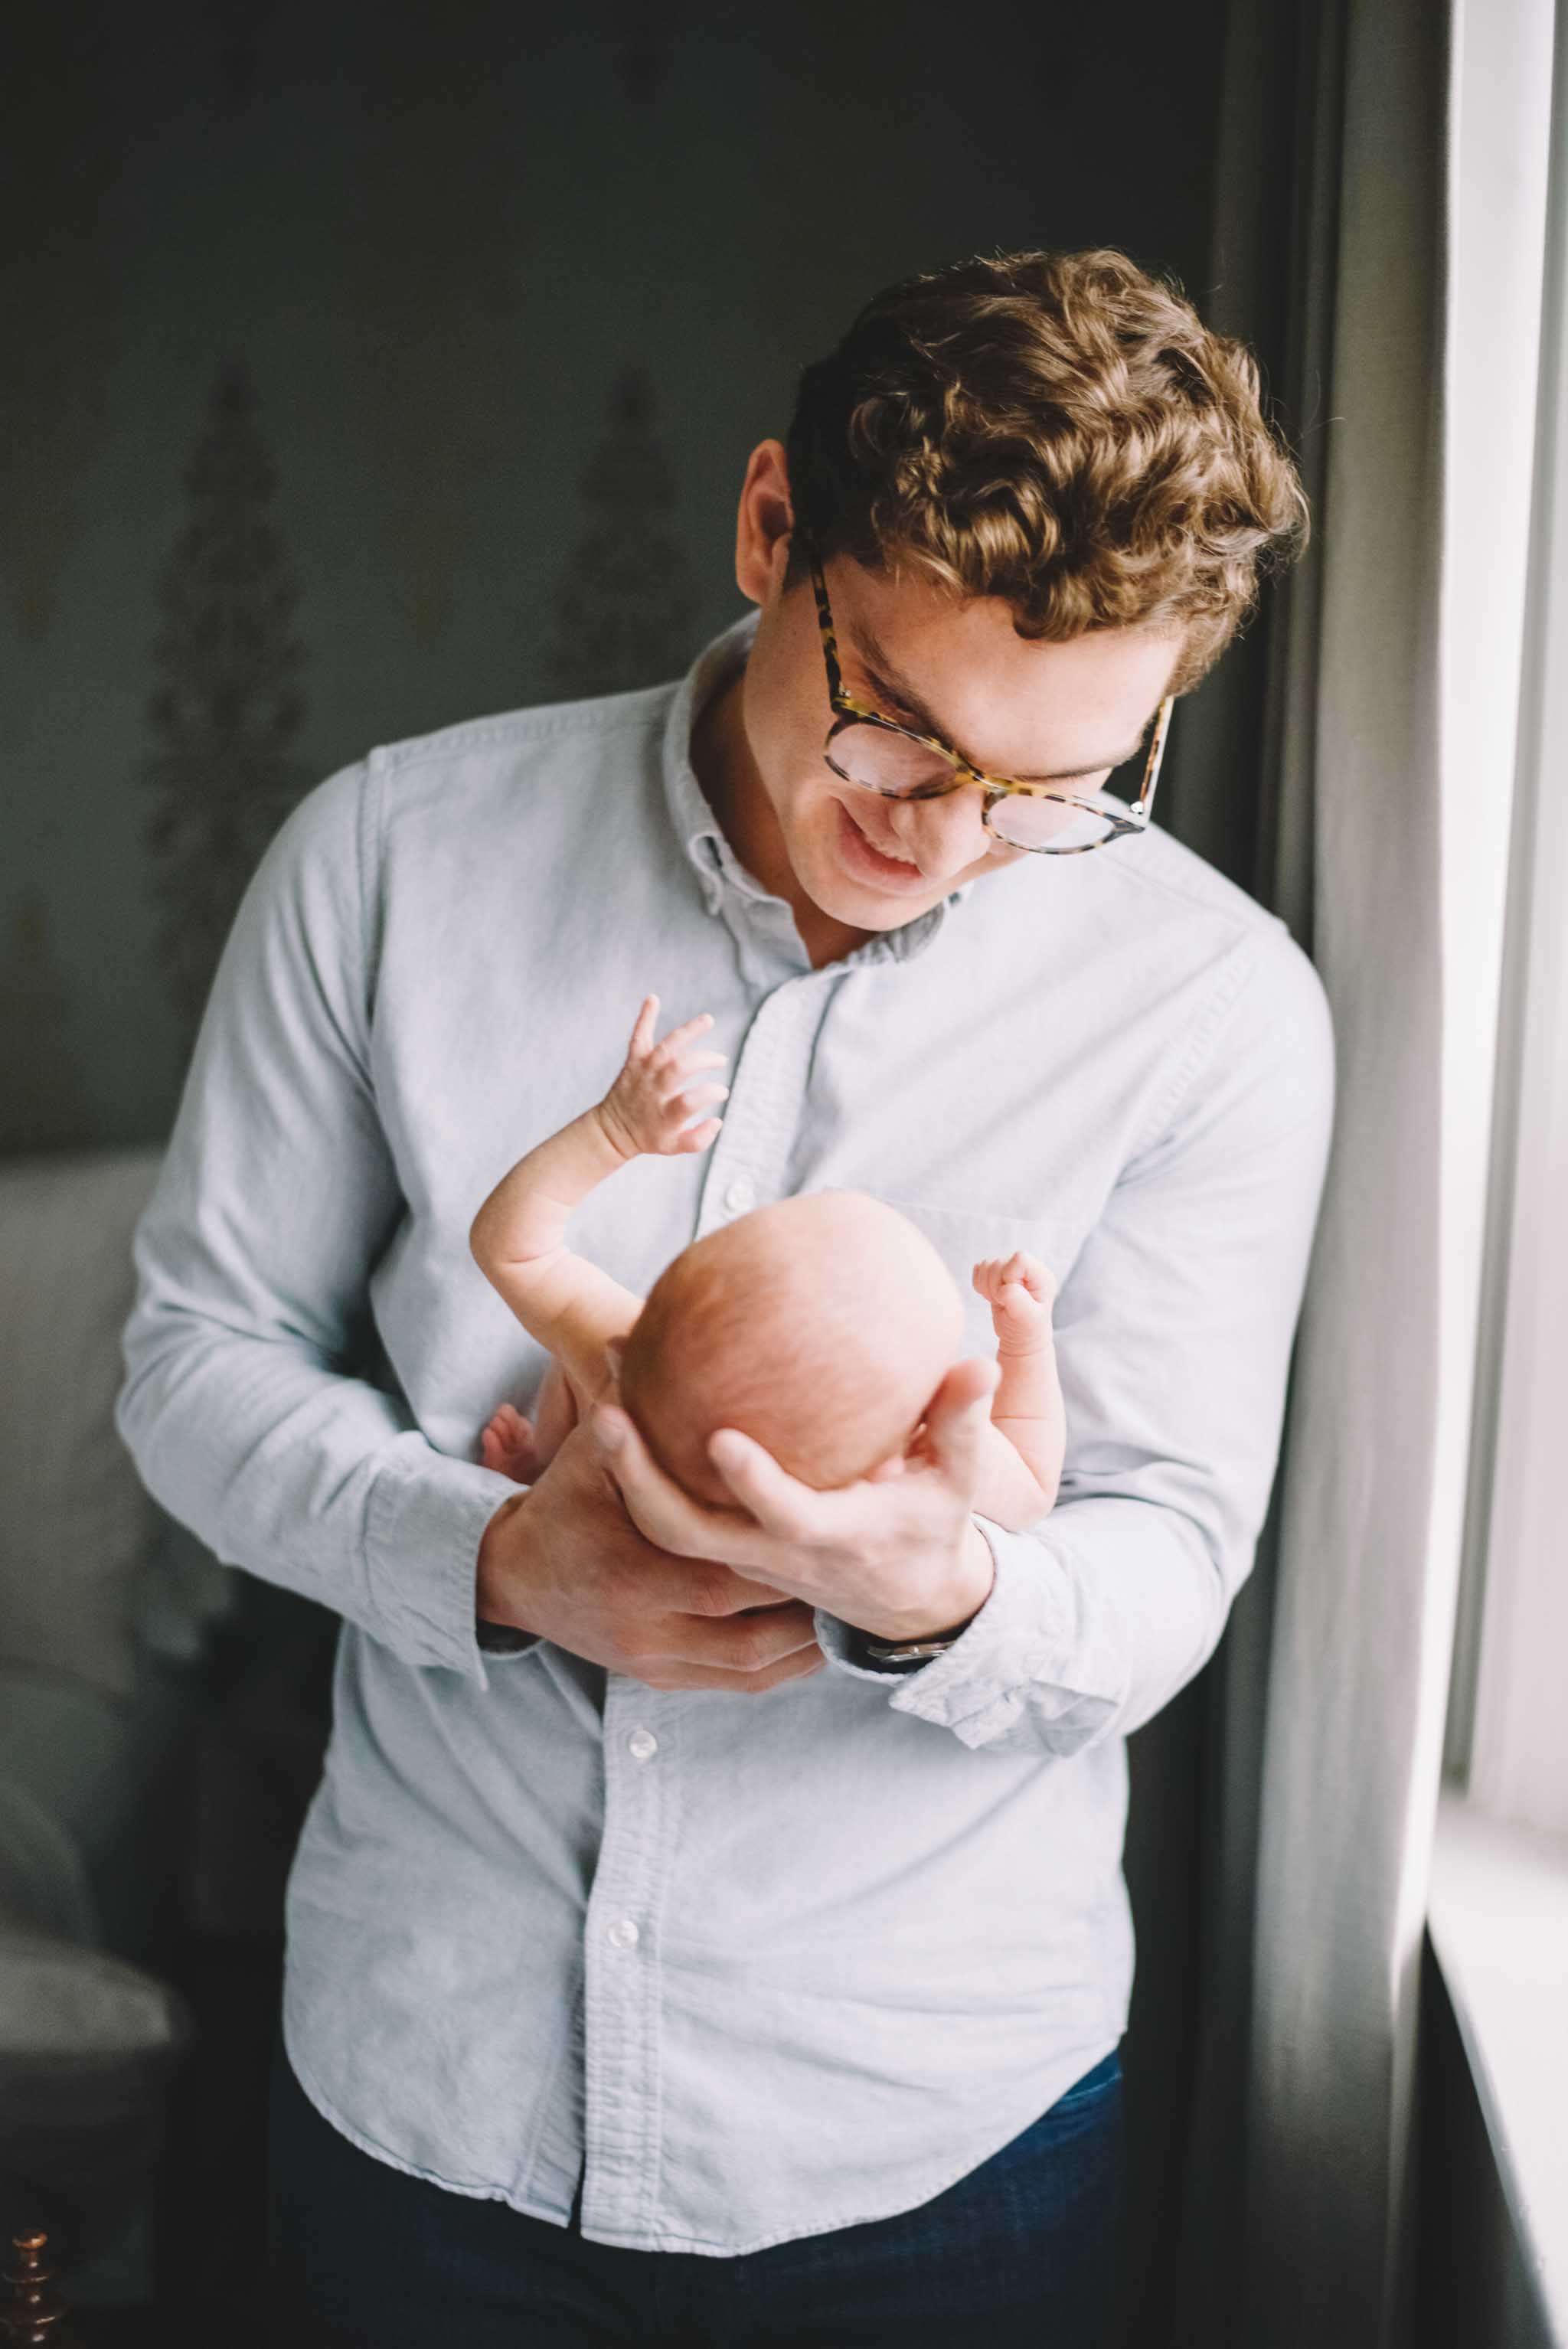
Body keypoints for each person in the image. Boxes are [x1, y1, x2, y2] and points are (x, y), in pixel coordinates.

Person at [114, 246, 1334, 2347]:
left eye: (1052, 791)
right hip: (425, 2076)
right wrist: (496, 1560)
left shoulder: (1217, 1011)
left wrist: (941, 1586)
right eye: (904, 728)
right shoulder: (394, 858)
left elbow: (1168, 1547)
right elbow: (194, 1366)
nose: (946, 839)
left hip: (931, 2136)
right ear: (775, 525)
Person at [468, 990, 1064, 1529]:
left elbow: (513, 1248)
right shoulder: (898, 1486)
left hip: (588, 1535)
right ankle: (541, 1483)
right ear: (920, 1428)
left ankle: (540, 1484)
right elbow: (1032, 1487)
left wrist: (612, 1133)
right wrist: (1025, 1344)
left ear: (639, 1339)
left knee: (573, 1406)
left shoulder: (632, 1379)